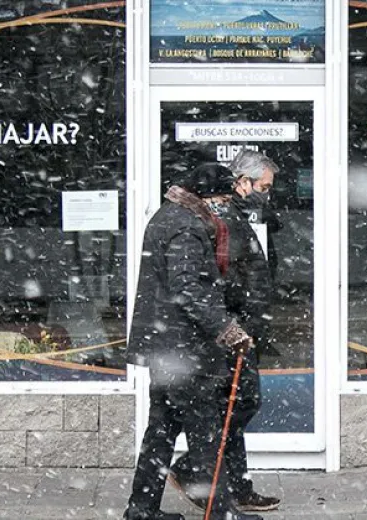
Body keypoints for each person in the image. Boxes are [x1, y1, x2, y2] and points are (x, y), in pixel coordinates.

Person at [125, 163, 262, 520]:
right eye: (222, 199)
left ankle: (142, 509)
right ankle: (220, 511)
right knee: (206, 434)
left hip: (167, 346)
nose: (223, 206)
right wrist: (227, 329)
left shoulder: (168, 216)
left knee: (161, 431)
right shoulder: (186, 225)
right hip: (185, 349)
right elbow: (188, 288)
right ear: (207, 195)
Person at [169, 150, 282, 513]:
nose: (266, 194)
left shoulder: (236, 214)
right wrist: (237, 322)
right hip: (232, 327)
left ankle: (237, 485)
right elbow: (228, 275)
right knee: (239, 403)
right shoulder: (222, 215)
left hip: (241, 324)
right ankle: (197, 471)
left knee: (235, 405)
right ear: (243, 182)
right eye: (264, 186)